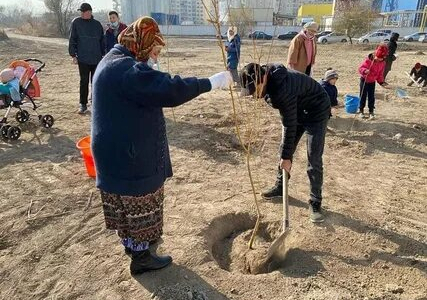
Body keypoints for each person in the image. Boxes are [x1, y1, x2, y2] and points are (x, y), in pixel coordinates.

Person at [91, 16, 233, 275]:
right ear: (142, 44)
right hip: (129, 156)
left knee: (126, 209)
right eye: (154, 51)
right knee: (139, 204)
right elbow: (170, 89)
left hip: (115, 151)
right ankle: (142, 258)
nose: (154, 57)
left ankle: (134, 246)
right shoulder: (126, 69)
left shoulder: (112, 59)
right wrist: (210, 83)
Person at [240, 63, 331, 223]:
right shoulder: (269, 80)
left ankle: (315, 201)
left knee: (313, 158)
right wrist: (285, 155)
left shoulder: (282, 89)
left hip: (317, 110)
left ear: (263, 79)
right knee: (284, 150)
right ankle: (280, 187)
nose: (254, 95)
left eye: (255, 90)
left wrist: (286, 157)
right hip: (298, 109)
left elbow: (289, 125)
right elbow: (289, 120)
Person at [69, 2, 105, 114]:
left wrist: (103, 55)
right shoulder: (76, 23)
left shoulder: (97, 24)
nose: (82, 13)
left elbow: (102, 41)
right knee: (84, 81)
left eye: (83, 11)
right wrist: (73, 55)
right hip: (83, 58)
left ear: (89, 12)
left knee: (95, 81)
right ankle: (83, 104)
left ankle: (95, 103)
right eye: (81, 11)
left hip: (96, 58)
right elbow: (72, 39)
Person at [358, 44, 390, 120]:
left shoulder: (383, 63)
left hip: (372, 82)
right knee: (362, 95)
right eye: (378, 58)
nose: (379, 60)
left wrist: (381, 82)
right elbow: (360, 68)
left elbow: (380, 74)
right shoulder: (368, 60)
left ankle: (371, 111)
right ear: (375, 55)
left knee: (371, 97)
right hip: (364, 80)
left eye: (381, 58)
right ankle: (361, 110)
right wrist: (365, 71)